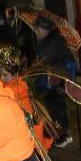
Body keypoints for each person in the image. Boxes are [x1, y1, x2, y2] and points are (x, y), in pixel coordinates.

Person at [33, 16, 76, 148]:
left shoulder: (53, 40)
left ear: (45, 28)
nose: (36, 31)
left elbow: (45, 58)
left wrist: (37, 64)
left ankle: (63, 134)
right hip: (56, 75)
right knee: (55, 102)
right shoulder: (48, 39)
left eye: (38, 29)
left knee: (56, 102)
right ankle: (60, 133)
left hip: (60, 75)